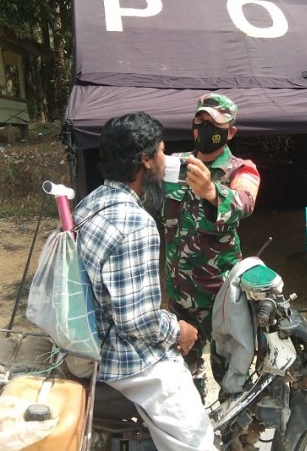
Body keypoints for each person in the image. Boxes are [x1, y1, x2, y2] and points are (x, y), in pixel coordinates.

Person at [73, 112, 215, 451]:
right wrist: (178, 330)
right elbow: (137, 320)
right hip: (123, 358)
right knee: (199, 440)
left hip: (87, 339)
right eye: (162, 151)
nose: (168, 160)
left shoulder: (90, 203)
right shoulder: (135, 222)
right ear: (146, 160)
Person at [163, 93, 260, 400]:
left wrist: (210, 191)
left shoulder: (241, 169)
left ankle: (239, 440)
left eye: (215, 124)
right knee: (179, 378)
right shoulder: (175, 165)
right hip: (178, 293)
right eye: (200, 121)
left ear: (230, 131)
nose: (205, 129)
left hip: (220, 297)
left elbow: (244, 203)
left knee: (232, 377)